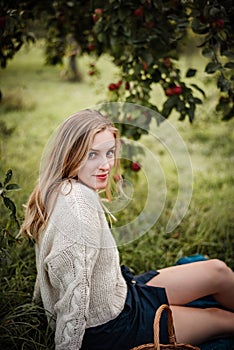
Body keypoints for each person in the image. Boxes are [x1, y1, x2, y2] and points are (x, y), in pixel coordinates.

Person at [20, 109, 234, 350]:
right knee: (222, 319)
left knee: (217, 271)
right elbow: (75, 293)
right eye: (92, 155)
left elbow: (48, 263)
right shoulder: (79, 208)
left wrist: (38, 304)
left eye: (109, 153)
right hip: (111, 328)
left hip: (121, 293)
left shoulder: (57, 188)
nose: (106, 165)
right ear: (71, 154)